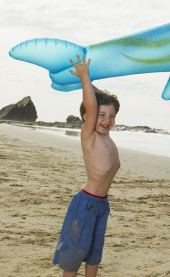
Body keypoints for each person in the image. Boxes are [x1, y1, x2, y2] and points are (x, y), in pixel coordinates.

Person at [53, 55, 121, 277]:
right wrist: (84, 76)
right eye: (101, 115)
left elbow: (97, 100)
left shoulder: (108, 139)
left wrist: (91, 83)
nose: (107, 119)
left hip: (102, 205)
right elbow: (91, 104)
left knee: (94, 253)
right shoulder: (89, 135)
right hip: (85, 203)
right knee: (74, 253)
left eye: (111, 116)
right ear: (87, 117)